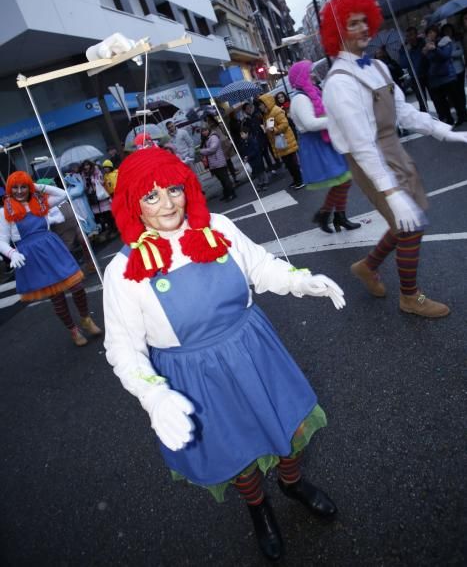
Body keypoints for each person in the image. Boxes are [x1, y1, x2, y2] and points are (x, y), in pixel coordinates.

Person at [103, 147, 345, 561]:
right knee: (235, 452)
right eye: (151, 196)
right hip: (195, 376)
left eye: (174, 189)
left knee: (290, 424)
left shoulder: (217, 227)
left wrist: (302, 281)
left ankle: (291, 482)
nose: (168, 204)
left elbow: (261, 267)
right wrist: (154, 395)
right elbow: (123, 347)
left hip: (254, 349)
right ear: (133, 204)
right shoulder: (122, 270)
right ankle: (258, 509)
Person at [321, 0, 467, 318]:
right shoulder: (338, 83)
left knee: (406, 220)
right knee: (409, 224)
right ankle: (409, 297)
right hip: (368, 158)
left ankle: (367, 266)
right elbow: (361, 144)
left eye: (364, 22)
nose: (362, 29)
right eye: (353, 23)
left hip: (392, 149)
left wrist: (447, 132)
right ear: (338, 31)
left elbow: (404, 112)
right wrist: (390, 191)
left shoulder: (378, 68)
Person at [0, 171, 101, 345]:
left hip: (52, 248)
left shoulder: (40, 202)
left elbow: (63, 194)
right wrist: (12, 253)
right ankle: (73, 330)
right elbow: (1, 240)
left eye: (23, 186)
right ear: (9, 189)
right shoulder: (4, 212)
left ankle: (86, 319)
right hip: (31, 255)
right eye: (14, 187)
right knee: (57, 296)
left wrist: (38, 186)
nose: (19, 191)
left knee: (77, 286)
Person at [288, 60, 361, 233]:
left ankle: (332, 215)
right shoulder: (299, 99)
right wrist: (336, 118)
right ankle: (331, 215)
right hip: (316, 145)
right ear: (302, 77)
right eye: (309, 72)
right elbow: (310, 123)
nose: (313, 74)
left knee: (343, 180)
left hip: (323, 142)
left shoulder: (310, 93)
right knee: (343, 180)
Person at [257, 94, 305, 189]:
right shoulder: (266, 114)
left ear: (266, 103)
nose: (260, 107)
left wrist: (273, 130)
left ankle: (300, 180)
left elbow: (284, 124)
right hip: (279, 142)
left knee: (292, 163)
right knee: (288, 163)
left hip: (285, 140)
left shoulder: (276, 111)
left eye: (261, 104)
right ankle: (296, 180)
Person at [422, 26, 458, 125]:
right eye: (428, 33)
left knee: (454, 98)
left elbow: (445, 56)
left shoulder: (445, 41)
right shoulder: (428, 45)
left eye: (432, 32)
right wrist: (425, 52)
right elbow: (430, 60)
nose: (430, 35)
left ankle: (462, 117)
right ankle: (449, 119)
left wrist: (435, 49)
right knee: (442, 100)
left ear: (436, 32)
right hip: (436, 77)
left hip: (447, 75)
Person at [199, 122, 236, 202]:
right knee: (222, 180)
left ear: (208, 129)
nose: (204, 132)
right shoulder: (207, 138)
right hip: (214, 163)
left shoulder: (213, 137)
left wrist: (202, 151)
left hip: (219, 161)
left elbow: (213, 149)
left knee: (225, 179)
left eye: (205, 130)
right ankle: (227, 193)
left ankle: (232, 193)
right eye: (202, 131)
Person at [440, 23, 467, 127]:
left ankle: (464, 112)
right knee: (454, 95)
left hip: (460, 69)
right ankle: (460, 114)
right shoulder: (442, 43)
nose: (448, 32)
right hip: (450, 73)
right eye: (446, 31)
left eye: (449, 30)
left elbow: (460, 51)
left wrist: (450, 54)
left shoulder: (456, 40)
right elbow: (442, 56)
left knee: (461, 93)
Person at [79, 159, 115, 237]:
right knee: (99, 214)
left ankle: (113, 227)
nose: (86, 167)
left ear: (90, 165)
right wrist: (87, 183)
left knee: (106, 212)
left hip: (100, 193)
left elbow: (102, 181)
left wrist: (93, 181)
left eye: (87, 165)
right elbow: (84, 186)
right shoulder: (83, 174)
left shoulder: (96, 170)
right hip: (92, 195)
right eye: (85, 165)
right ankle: (107, 228)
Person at [399, 27, 429, 112]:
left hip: (427, 74)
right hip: (416, 77)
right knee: (422, 101)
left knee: (436, 97)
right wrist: (407, 51)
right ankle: (425, 119)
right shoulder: (404, 48)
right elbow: (403, 64)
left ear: (416, 35)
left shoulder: (423, 43)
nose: (410, 38)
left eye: (412, 35)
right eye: (408, 36)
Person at [205, 114, 239, 184]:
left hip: (225, 145)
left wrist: (229, 140)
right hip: (217, 148)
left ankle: (234, 178)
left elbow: (226, 133)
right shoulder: (209, 130)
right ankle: (229, 181)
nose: (210, 123)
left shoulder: (220, 126)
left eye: (210, 120)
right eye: (208, 121)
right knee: (223, 165)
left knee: (229, 163)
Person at [238, 123, 269, 192]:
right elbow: (243, 150)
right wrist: (244, 157)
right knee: (256, 172)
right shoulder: (243, 142)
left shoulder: (252, 140)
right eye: (241, 134)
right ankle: (260, 182)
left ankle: (265, 181)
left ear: (247, 133)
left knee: (261, 171)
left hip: (256, 158)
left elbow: (256, 150)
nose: (241, 136)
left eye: (242, 134)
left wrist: (248, 156)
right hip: (251, 160)